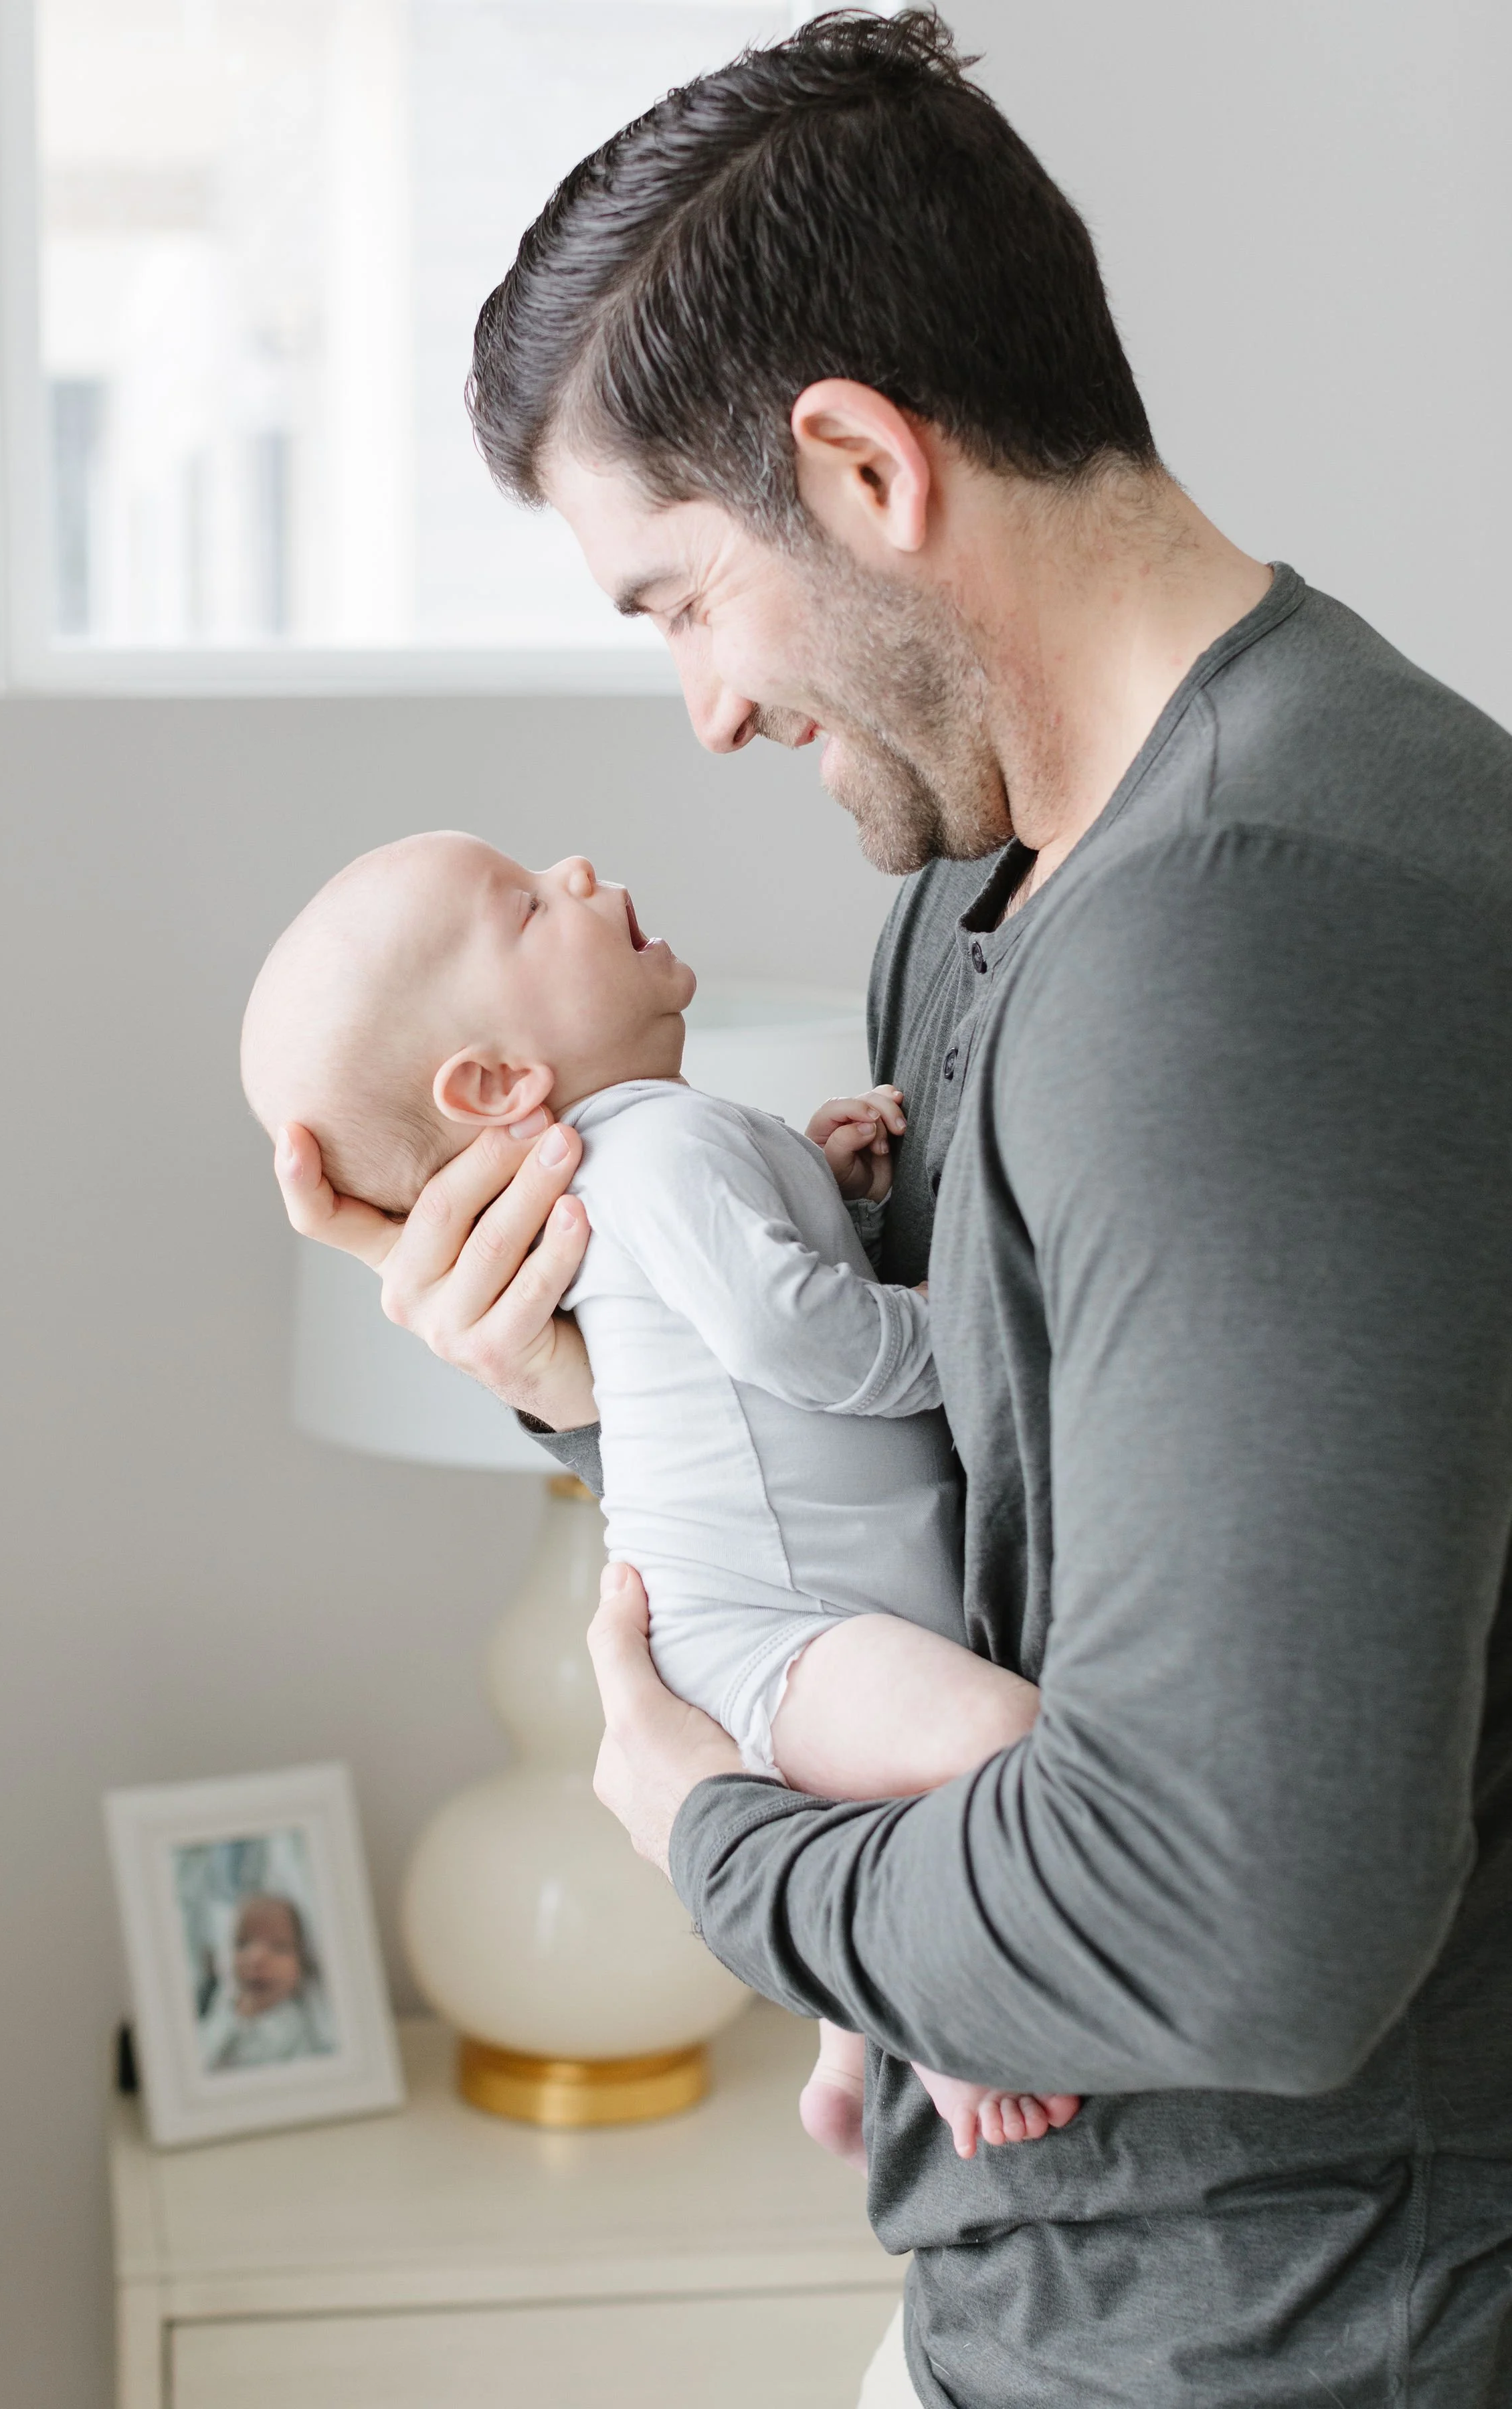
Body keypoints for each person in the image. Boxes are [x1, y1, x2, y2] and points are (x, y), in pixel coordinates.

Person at [268, 13, 1512, 2402]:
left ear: (856, 465)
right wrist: (591, 1379)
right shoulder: (984, 902)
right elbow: (992, 1525)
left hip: (1293, 2347)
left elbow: (1245, 1928)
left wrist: (710, 1835)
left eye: (671, 600)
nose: (702, 715)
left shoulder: (1256, 932)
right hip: (1055, 2301)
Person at [241, 828, 1075, 2159]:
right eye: (523, 906)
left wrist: (834, 1183)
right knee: (1007, 1743)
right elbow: (799, 1339)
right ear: (500, 1079)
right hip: (778, 1635)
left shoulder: (674, 1145)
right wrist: (966, 1322)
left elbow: (743, 1315)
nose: (575, 871)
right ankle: (952, 2039)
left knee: (893, 1805)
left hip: (789, 1613)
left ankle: (848, 2070)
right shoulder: (655, 1154)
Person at [195, 1893, 335, 2073]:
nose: (256, 1958)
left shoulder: (301, 2031)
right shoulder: (223, 2008)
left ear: (302, 1965)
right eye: (243, 1944)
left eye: (279, 1947)